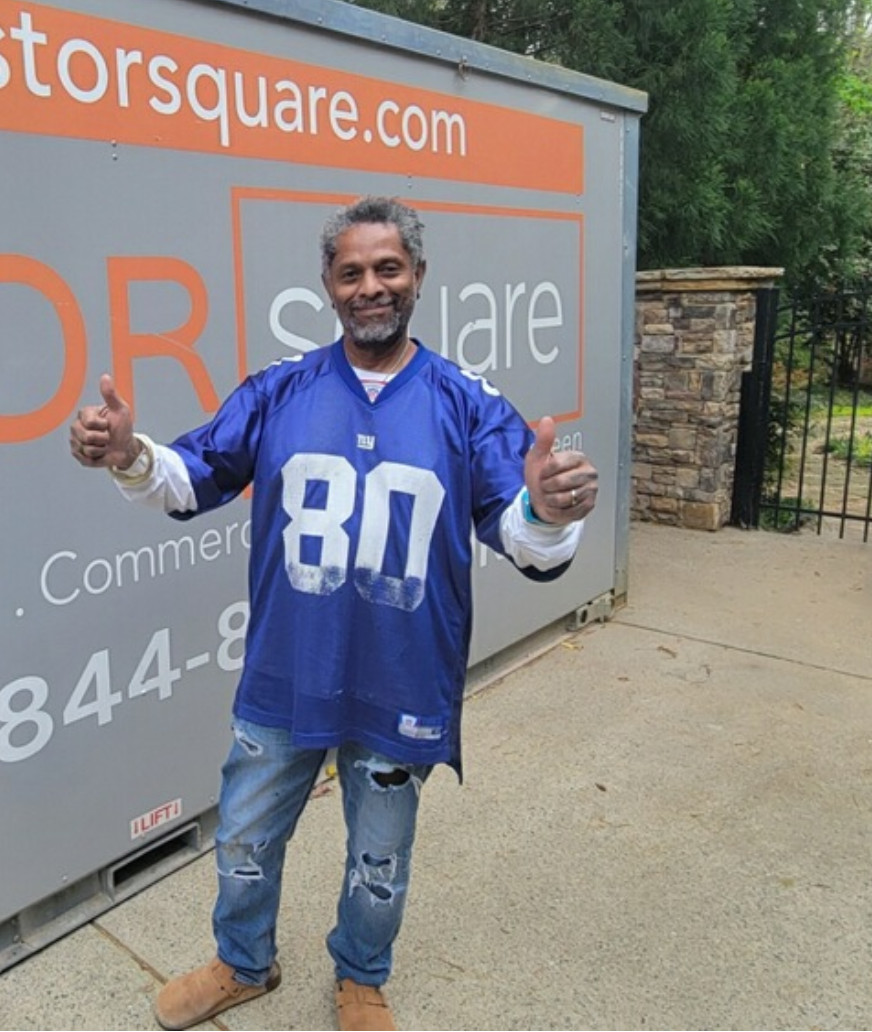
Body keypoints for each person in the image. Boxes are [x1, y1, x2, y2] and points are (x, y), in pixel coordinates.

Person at [68, 196, 599, 1032]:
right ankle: (244, 963)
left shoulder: (468, 404)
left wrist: (552, 512)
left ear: (417, 276)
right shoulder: (280, 390)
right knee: (243, 840)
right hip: (287, 671)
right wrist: (130, 454)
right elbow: (192, 478)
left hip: (400, 681)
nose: (370, 286)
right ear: (328, 284)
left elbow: (522, 539)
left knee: (380, 859)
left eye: (387, 268)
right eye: (351, 272)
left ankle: (362, 977)